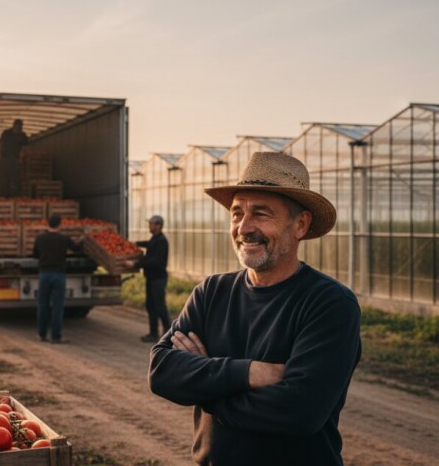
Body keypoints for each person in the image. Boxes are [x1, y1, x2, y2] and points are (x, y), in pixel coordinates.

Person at [148, 152, 361, 465]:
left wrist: (207, 387)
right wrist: (251, 372)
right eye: (236, 214)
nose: (244, 228)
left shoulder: (329, 304)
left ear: (300, 224)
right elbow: (162, 372)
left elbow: (299, 413)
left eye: (260, 214)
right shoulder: (212, 292)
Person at [33, 213, 82, 343]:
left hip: (44, 274)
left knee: (43, 305)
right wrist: (83, 239)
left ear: (48, 224)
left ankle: (42, 334)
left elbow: (34, 254)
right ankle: (56, 336)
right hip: (58, 274)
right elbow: (76, 248)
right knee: (57, 306)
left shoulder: (40, 238)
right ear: (60, 224)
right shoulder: (64, 239)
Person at [124, 215, 170, 343]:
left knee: (160, 306)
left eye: (151, 224)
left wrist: (136, 264)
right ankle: (153, 333)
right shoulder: (155, 239)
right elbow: (148, 244)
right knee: (151, 306)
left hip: (158, 279)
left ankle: (169, 333)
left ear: (158, 225)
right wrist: (134, 243)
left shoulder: (161, 241)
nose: (149, 226)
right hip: (151, 278)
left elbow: (155, 261)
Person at [0, 119, 28, 197]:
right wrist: (0, 157)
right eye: (18, 126)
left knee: (17, 179)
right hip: (6, 158)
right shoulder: (6, 133)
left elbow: (24, 148)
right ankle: (5, 196)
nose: (19, 128)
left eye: (21, 127)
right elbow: (1, 145)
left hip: (16, 159)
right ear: (14, 126)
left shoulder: (23, 135)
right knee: (5, 178)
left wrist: (21, 158)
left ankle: (17, 197)